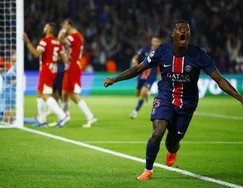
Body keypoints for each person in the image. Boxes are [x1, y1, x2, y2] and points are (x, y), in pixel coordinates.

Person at [104, 20, 243, 180]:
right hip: (165, 96)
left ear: (188, 35)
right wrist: (114, 79)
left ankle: (172, 150)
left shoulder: (199, 54)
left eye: (186, 29)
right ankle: (148, 169)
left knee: (172, 142)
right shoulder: (162, 51)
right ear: (173, 34)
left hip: (187, 103)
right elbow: (139, 68)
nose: (183, 30)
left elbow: (219, 79)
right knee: (157, 133)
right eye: (179, 29)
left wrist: (240, 98)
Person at [23, 22, 67, 127]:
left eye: (46, 26)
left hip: (46, 70)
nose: (44, 27)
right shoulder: (58, 42)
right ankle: (42, 120)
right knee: (39, 94)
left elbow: (36, 54)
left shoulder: (44, 41)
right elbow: (64, 59)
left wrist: (28, 42)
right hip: (53, 70)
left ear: (49, 30)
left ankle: (62, 116)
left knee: (45, 95)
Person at [58, 18, 97, 128]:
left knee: (73, 95)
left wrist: (62, 31)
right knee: (64, 93)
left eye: (64, 25)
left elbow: (60, 40)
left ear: (69, 25)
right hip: (69, 66)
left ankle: (90, 117)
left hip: (74, 67)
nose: (63, 28)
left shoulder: (75, 36)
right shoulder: (73, 37)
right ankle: (63, 116)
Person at [130, 37, 161, 119]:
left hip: (151, 76)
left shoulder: (161, 53)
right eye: (154, 41)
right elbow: (136, 57)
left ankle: (135, 111)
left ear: (159, 43)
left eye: (157, 42)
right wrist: (134, 62)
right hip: (141, 74)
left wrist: (161, 76)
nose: (155, 43)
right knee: (138, 93)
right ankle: (146, 94)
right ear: (151, 41)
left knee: (143, 92)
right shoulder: (145, 49)